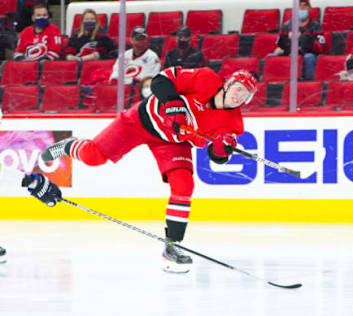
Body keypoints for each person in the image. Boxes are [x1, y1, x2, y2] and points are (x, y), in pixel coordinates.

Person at [38, 67, 258, 273]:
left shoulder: (234, 124)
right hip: (139, 122)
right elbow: (161, 80)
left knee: (184, 185)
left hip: (172, 142)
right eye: (239, 88)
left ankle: (172, 245)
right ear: (228, 84)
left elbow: (217, 157)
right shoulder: (205, 78)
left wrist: (221, 150)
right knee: (93, 157)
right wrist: (173, 103)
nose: (239, 96)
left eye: (246, 94)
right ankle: (69, 145)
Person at [269, 0, 326, 80]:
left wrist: (302, 37)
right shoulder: (287, 26)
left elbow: (320, 48)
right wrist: (278, 49)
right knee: (271, 56)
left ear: (309, 8)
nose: (302, 8)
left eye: (305, 5)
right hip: (289, 55)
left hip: (306, 57)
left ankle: (308, 85)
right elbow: (279, 45)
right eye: (299, 6)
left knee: (309, 57)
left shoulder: (315, 26)